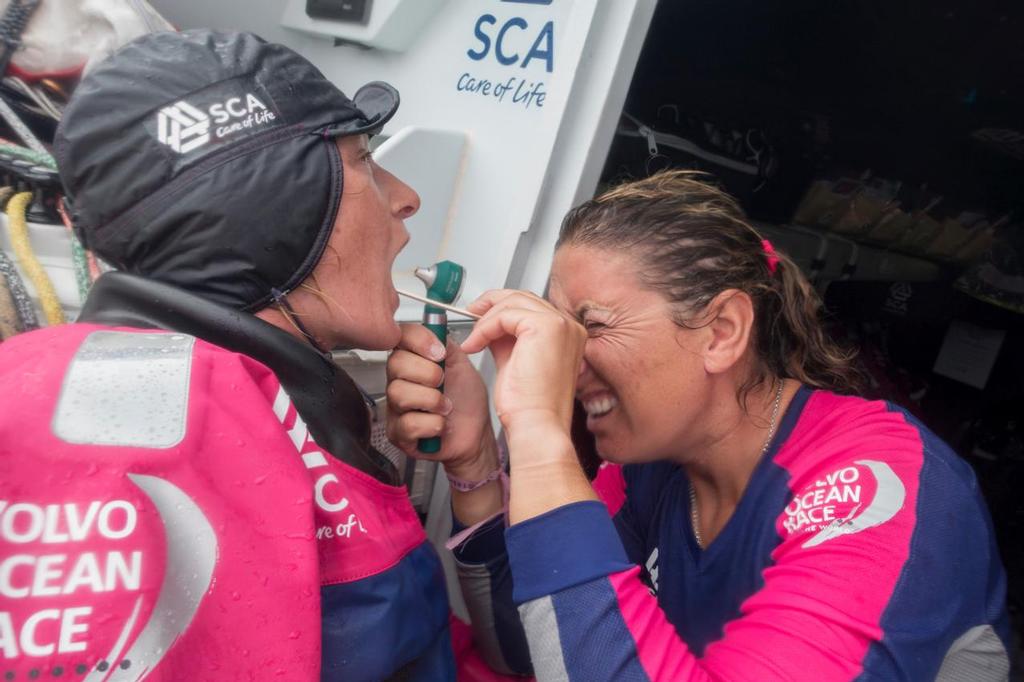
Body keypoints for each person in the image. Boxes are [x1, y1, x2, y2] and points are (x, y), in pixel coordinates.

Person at [386, 170, 1011, 680]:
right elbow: (533, 653)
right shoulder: (650, 475)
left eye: (592, 326)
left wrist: (541, 437)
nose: (567, 360)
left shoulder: (877, 482)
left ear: (721, 332)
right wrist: (474, 469)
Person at [0, 28, 456, 681]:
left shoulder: (28, 376)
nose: (405, 195)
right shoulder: (215, 428)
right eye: (361, 160)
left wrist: (474, 475)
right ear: (278, 207)